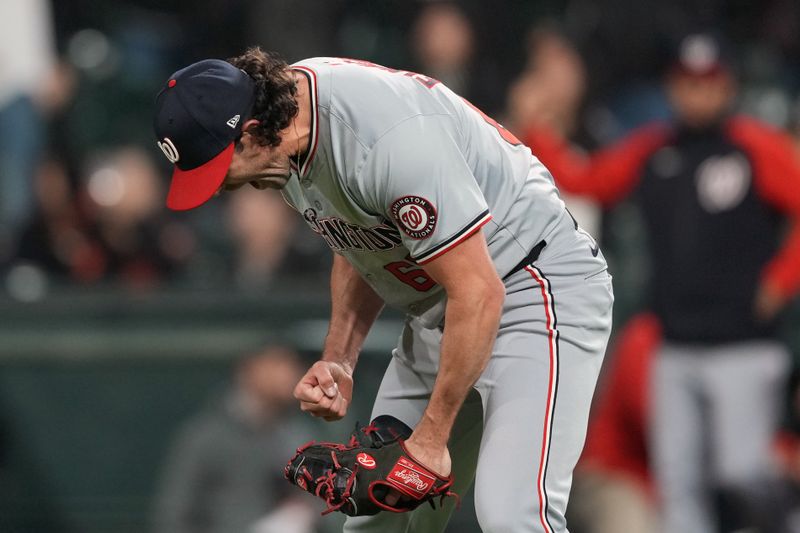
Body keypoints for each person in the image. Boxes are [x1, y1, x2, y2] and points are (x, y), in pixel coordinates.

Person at [152, 47, 614, 533]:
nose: (219, 188)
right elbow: (358, 238)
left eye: (216, 169)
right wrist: (339, 359)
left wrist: (432, 439)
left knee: (512, 516)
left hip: (532, 287)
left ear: (248, 134)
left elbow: (481, 293)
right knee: (376, 524)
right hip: (448, 307)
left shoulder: (381, 136)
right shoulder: (284, 134)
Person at [524, 32, 800, 532]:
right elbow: (586, 181)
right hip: (673, 346)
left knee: (740, 469)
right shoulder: (653, 150)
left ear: (727, 86)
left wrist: (782, 279)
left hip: (744, 344)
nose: (698, 93)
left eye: (709, 82)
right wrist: (538, 126)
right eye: (688, 82)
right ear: (673, 87)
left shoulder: (755, 146)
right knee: (679, 487)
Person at [152, 345, 317, 533]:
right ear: (249, 370)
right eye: (277, 364)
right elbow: (174, 515)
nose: (288, 374)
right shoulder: (206, 436)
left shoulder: (298, 435)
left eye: (292, 365)